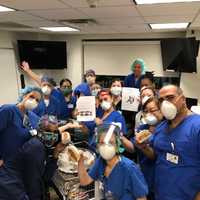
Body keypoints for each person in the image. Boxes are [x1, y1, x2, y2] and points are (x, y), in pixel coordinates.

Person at [140, 85, 200, 200]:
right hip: (161, 193)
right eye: (161, 100)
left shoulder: (196, 127)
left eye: (170, 97)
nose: (165, 103)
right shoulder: (162, 127)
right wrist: (144, 147)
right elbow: (156, 155)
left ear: (183, 99)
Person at [0, 116, 71, 200]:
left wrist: (56, 153)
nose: (54, 135)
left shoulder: (39, 141)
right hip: (12, 189)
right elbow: (34, 182)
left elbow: (44, 175)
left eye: (56, 131)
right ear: (41, 130)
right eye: (50, 131)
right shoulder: (36, 147)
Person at [78, 123, 148, 200]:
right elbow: (85, 181)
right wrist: (80, 160)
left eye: (110, 143)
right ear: (98, 146)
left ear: (117, 145)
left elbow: (142, 198)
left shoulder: (129, 168)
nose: (106, 147)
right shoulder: (101, 162)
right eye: (102, 143)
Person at [0, 86, 42, 164]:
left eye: (37, 100)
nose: (33, 101)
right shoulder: (8, 111)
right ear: (24, 95)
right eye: (31, 96)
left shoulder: (35, 118)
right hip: (5, 162)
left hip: (22, 162)